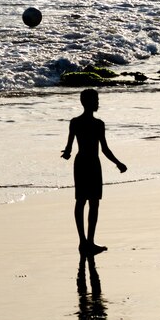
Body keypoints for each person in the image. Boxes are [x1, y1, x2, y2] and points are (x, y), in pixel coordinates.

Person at [61, 89, 127, 254]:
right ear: (87, 102)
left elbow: (69, 149)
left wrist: (67, 154)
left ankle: (85, 242)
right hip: (91, 163)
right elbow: (104, 149)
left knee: (83, 202)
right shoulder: (98, 124)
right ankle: (86, 242)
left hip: (82, 163)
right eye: (95, 100)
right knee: (90, 203)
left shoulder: (75, 122)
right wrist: (118, 163)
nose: (98, 103)